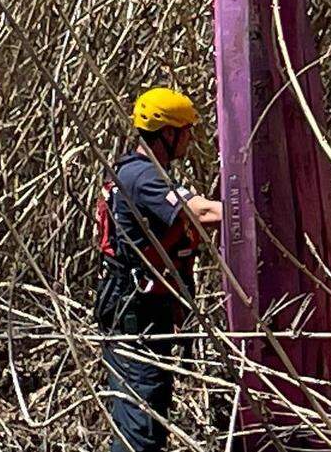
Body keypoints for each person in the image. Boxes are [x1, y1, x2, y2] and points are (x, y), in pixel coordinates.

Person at [94, 88, 222, 452]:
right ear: (168, 133)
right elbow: (201, 213)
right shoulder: (143, 178)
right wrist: (255, 211)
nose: (191, 139)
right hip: (137, 320)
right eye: (186, 131)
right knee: (141, 427)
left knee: (143, 420)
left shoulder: (135, 173)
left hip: (141, 314)